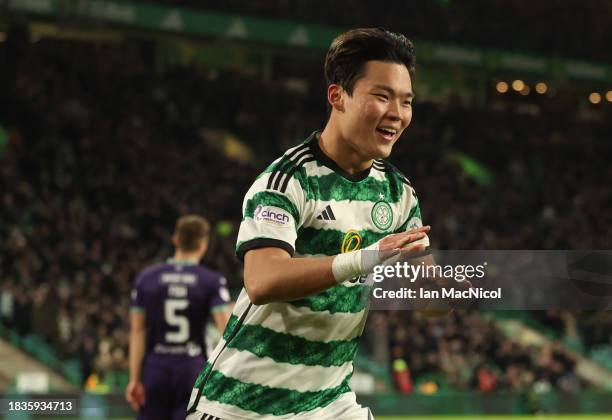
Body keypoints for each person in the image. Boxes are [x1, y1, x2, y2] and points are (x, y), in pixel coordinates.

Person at [187, 28, 434, 420]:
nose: (397, 114)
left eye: (406, 101)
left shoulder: (398, 193)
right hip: (243, 404)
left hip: (329, 403)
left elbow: (429, 301)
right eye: (382, 96)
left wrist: (450, 288)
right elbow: (263, 280)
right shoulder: (287, 180)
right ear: (337, 96)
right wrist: (366, 258)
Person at [126, 215, 232, 420]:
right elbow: (226, 329)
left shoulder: (147, 279)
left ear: (175, 240)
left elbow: (137, 331)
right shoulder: (211, 281)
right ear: (203, 244)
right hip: (191, 369)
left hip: (155, 369)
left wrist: (134, 379)